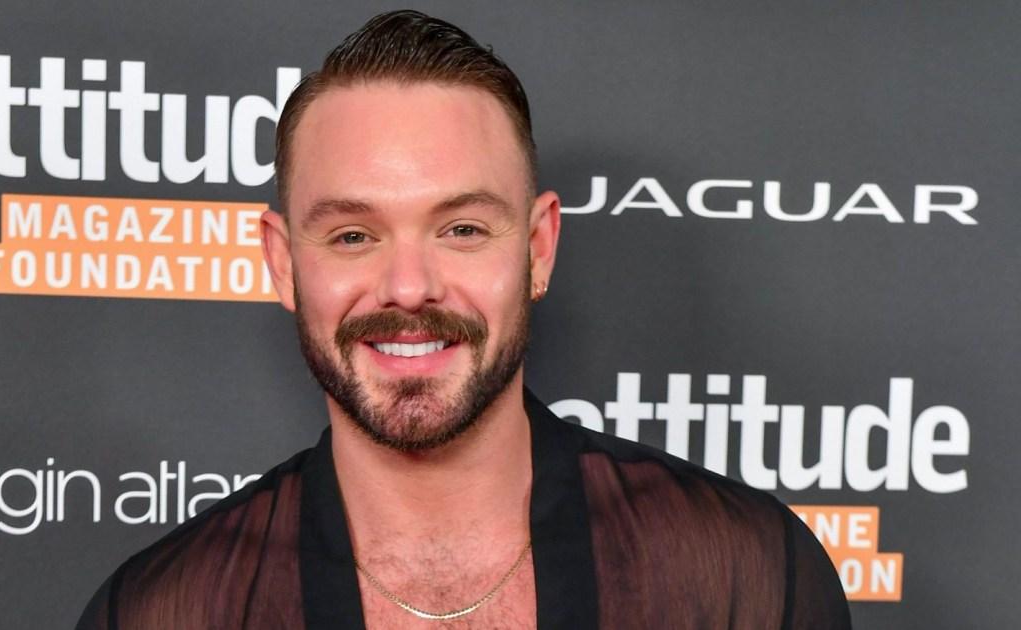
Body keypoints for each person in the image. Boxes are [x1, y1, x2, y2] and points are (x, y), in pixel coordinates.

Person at [77, 10, 851, 629]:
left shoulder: (746, 578)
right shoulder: (164, 611)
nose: (409, 288)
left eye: (462, 229)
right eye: (353, 236)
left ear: (538, 249)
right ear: (283, 263)